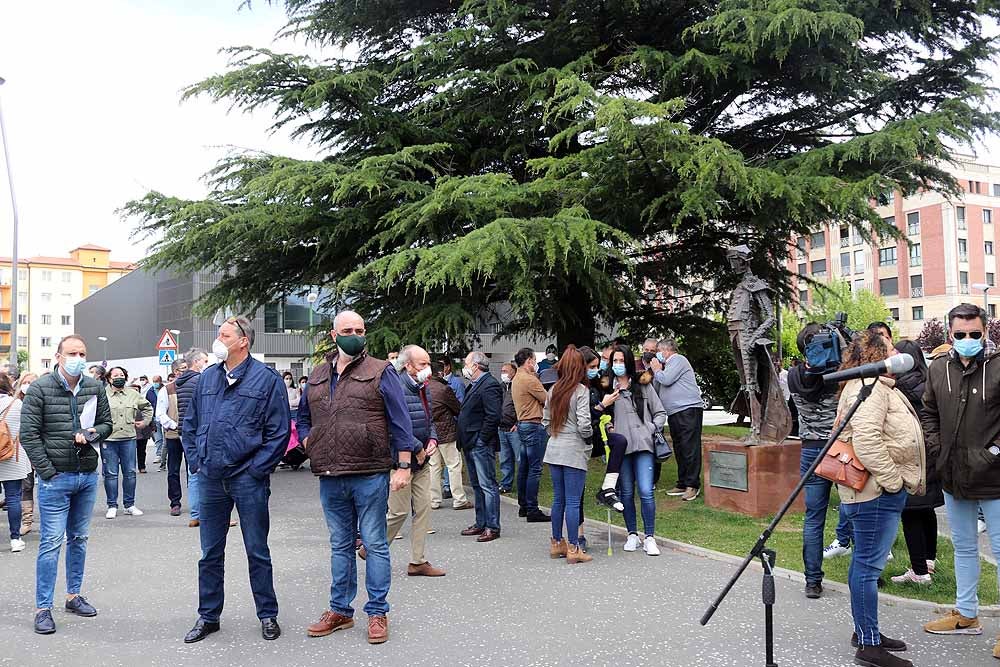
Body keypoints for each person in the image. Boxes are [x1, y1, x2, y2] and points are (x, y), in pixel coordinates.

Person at [297, 311, 415, 644]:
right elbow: (303, 418)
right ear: (334, 335)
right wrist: (310, 444)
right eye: (347, 330)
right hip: (330, 473)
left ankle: (377, 611)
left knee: (375, 544)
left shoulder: (381, 371)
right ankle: (340, 611)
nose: (355, 334)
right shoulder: (318, 374)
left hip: (369, 472)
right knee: (340, 545)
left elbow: (400, 419)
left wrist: (403, 465)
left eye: (360, 330)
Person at [181, 316, 290, 644]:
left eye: (225, 334)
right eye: (219, 334)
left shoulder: (266, 380)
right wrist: (197, 462)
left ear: (243, 341)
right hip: (211, 478)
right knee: (209, 553)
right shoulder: (207, 379)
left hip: (248, 479)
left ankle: (267, 615)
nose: (219, 339)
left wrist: (257, 470)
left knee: (257, 550)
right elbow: (190, 424)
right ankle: (208, 616)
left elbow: (278, 433)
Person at [836, 329, 925, 667]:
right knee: (867, 567)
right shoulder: (868, 389)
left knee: (864, 564)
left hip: (874, 493)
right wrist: (893, 482)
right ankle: (869, 645)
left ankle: (865, 631)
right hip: (875, 493)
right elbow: (868, 442)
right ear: (875, 355)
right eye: (889, 349)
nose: (896, 353)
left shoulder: (875, 386)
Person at [921, 304, 1000, 661]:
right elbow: (929, 412)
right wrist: (938, 449)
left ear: (985, 331)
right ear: (949, 334)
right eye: (960, 334)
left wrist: (993, 454)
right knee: (964, 547)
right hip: (954, 476)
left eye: (974, 334)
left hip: (996, 479)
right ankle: (966, 613)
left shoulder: (998, 366)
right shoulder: (939, 368)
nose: (967, 340)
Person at [20, 334, 113, 635]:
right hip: (55, 479)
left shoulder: (94, 386)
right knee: (50, 543)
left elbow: (107, 424)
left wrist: (91, 434)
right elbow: (29, 435)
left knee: (79, 538)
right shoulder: (40, 388)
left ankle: (73, 595)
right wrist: (47, 472)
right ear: (58, 356)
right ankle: (43, 608)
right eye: (72, 353)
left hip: (86, 475)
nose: (78, 358)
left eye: (82, 353)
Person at [788, 323, 851, 600]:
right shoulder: (838, 376)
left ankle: (812, 581)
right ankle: (865, 577)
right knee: (856, 514)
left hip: (811, 451)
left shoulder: (793, 376)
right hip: (840, 451)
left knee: (814, 519)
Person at [380, 344, 445, 577]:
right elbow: (393, 425)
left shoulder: (423, 386)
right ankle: (375, 547)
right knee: (397, 512)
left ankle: (418, 561)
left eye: (428, 363)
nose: (428, 368)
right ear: (408, 365)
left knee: (423, 509)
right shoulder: (395, 386)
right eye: (423, 364)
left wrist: (433, 440)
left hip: (423, 460)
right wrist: (416, 447)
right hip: (401, 461)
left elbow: (430, 419)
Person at [890, 339, 942, 586]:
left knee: (910, 513)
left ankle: (919, 571)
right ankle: (929, 561)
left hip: (912, 457)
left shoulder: (900, 387)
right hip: (931, 454)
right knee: (927, 509)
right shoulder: (929, 381)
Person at [609, 345, 666, 555]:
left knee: (645, 490)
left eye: (621, 361)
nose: (618, 365)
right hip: (621, 448)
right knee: (625, 492)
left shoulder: (643, 385)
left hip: (643, 446)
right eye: (614, 361)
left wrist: (650, 428)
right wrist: (609, 428)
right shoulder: (609, 389)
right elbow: (604, 417)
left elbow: (660, 412)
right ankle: (632, 533)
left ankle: (649, 536)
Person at [542, 346, 593, 564]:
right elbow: (584, 425)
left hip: (554, 448)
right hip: (573, 450)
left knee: (558, 499)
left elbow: (545, 421)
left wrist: (555, 434)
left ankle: (556, 543)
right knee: (573, 501)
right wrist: (589, 438)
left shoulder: (554, 389)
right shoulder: (581, 391)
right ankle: (574, 548)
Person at [649, 338, 705, 502]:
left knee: (690, 447)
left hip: (688, 410)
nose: (656, 355)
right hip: (674, 412)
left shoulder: (678, 360)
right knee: (680, 448)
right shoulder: (666, 367)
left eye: (657, 351)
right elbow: (657, 387)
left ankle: (692, 485)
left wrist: (657, 370)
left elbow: (665, 379)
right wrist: (655, 372)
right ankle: (682, 483)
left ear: (666, 350)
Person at [457, 351, 504, 542]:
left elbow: (493, 416)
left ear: (476, 366)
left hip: (480, 443)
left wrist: (482, 439)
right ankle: (481, 522)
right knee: (477, 485)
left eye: (467, 363)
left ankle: (492, 526)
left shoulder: (489, 384)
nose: (465, 366)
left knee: (487, 485)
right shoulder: (475, 385)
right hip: (470, 442)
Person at [101, 367, 152, 519]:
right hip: (109, 439)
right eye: (115, 375)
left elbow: (148, 407)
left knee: (130, 472)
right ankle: (112, 505)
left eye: (122, 375)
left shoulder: (133, 394)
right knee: (110, 474)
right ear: (109, 378)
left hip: (128, 438)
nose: (119, 377)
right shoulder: (102, 394)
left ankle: (129, 504)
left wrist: (145, 422)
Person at [512, 347, 550, 522]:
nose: (535, 363)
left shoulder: (516, 378)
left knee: (525, 467)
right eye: (534, 360)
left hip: (523, 425)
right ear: (529, 361)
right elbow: (548, 400)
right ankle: (533, 509)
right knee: (535, 469)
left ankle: (524, 506)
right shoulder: (529, 379)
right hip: (534, 425)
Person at [427, 361, 470, 510]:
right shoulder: (444, 389)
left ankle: (434, 500)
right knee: (453, 466)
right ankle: (459, 499)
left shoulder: (423, 388)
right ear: (441, 373)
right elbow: (458, 409)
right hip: (447, 433)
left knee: (434, 467)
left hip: (430, 434)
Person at [176, 349, 210, 527]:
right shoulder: (200, 381)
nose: (207, 364)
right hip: (200, 430)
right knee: (209, 473)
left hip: (184, 430)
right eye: (205, 361)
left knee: (193, 472)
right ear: (196, 362)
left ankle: (195, 514)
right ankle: (214, 515)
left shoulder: (180, 382)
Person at [0, 372, 30, 552]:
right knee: (13, 498)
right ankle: (15, 539)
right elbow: (27, 430)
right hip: (12, 456)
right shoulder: (17, 404)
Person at [157, 359, 187, 516]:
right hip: (173, 435)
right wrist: (174, 425)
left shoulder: (194, 385)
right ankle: (175, 502)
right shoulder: (167, 390)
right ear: (175, 372)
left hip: (190, 436)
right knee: (173, 470)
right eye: (182, 369)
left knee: (194, 471)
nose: (185, 371)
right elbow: (160, 413)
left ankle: (197, 503)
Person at [16, 373, 38, 536]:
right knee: (26, 486)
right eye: (26, 382)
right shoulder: (15, 403)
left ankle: (53, 523)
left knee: (48, 487)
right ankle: (27, 521)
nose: (28, 385)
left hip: (42, 451)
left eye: (32, 382)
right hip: (22, 451)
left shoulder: (42, 401)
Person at [498, 361, 519, 494]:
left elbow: (523, 407)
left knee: (520, 458)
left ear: (513, 372)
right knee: (504, 459)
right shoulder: (500, 387)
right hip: (501, 428)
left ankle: (524, 483)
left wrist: (518, 423)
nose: (503, 373)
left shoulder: (517, 386)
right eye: (502, 371)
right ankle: (506, 484)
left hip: (514, 428)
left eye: (505, 371)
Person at [146, 375, 165, 471]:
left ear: (160, 381)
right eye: (153, 381)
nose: (155, 383)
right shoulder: (150, 392)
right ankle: (159, 454)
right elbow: (147, 405)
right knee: (158, 437)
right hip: (154, 418)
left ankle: (164, 455)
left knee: (166, 438)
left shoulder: (165, 390)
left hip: (165, 416)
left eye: (156, 381)